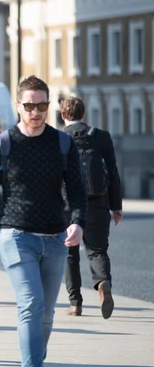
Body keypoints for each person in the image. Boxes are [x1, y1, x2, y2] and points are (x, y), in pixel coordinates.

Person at [0, 75, 87, 367]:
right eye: (29, 106)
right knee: (31, 305)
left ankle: (33, 361)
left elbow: (77, 191)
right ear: (18, 106)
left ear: (48, 106)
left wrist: (77, 221)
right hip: (16, 236)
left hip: (55, 240)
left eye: (41, 106)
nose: (35, 112)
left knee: (46, 315)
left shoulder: (63, 143)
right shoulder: (3, 145)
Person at [60, 96, 123, 319]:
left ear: (62, 115)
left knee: (70, 254)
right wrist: (116, 206)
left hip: (67, 204)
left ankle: (75, 303)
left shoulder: (59, 138)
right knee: (97, 250)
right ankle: (103, 283)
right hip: (98, 201)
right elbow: (113, 173)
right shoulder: (101, 137)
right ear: (83, 114)